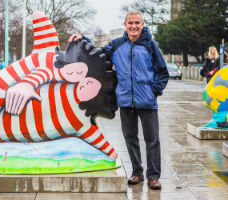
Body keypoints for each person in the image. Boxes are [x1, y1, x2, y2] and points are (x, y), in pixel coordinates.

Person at [69, 11, 169, 190]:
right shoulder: (116, 44)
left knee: (152, 140)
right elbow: (97, 54)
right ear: (125, 25)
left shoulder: (150, 45)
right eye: (130, 23)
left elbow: (163, 72)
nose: (134, 26)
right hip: (125, 102)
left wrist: (155, 91)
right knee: (130, 139)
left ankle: (153, 176)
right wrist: (82, 39)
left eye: (137, 23)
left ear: (142, 24)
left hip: (147, 102)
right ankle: (137, 172)